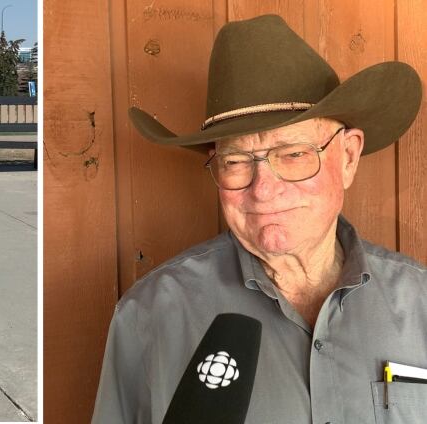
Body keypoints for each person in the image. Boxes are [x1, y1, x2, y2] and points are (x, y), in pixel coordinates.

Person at [93, 15, 426, 423]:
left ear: (349, 157)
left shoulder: (421, 302)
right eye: (235, 161)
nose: (263, 190)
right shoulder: (150, 317)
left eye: (294, 154)